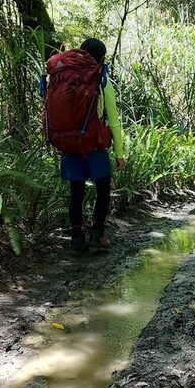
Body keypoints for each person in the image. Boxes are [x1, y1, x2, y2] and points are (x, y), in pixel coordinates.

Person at [60, 38, 125, 255]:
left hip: (69, 144)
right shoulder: (101, 81)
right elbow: (113, 120)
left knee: (76, 192)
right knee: (103, 188)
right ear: (101, 58)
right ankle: (98, 234)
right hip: (94, 144)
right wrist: (119, 153)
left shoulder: (63, 77)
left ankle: (77, 239)